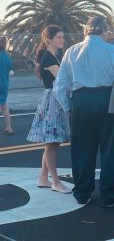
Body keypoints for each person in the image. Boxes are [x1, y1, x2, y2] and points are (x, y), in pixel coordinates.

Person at [53, 16, 114, 207]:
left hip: (80, 102)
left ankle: (82, 193)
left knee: (81, 150)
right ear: (104, 31)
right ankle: (110, 195)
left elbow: (60, 86)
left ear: (86, 31)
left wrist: (69, 107)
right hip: (107, 101)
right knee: (111, 150)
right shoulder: (112, 51)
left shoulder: (71, 51)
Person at [27, 25, 71, 194]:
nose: (62, 39)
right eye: (59, 37)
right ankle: (55, 182)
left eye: (62, 36)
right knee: (52, 142)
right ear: (49, 39)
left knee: (53, 142)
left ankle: (43, 178)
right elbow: (62, 80)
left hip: (54, 98)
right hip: (52, 100)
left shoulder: (53, 56)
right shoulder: (48, 58)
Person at [0, 37, 14, 135]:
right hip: (3, 85)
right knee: (4, 106)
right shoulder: (7, 56)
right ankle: (9, 127)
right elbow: (10, 68)